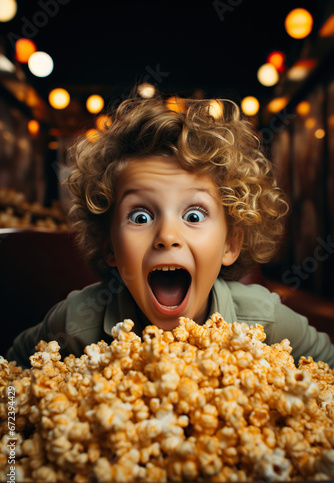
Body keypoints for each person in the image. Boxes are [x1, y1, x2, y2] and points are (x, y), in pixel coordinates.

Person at [6, 96, 334, 369]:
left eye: (193, 214)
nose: (167, 235)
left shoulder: (262, 319)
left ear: (230, 243)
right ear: (109, 246)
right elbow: (11, 375)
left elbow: (326, 367)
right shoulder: (77, 323)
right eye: (140, 215)